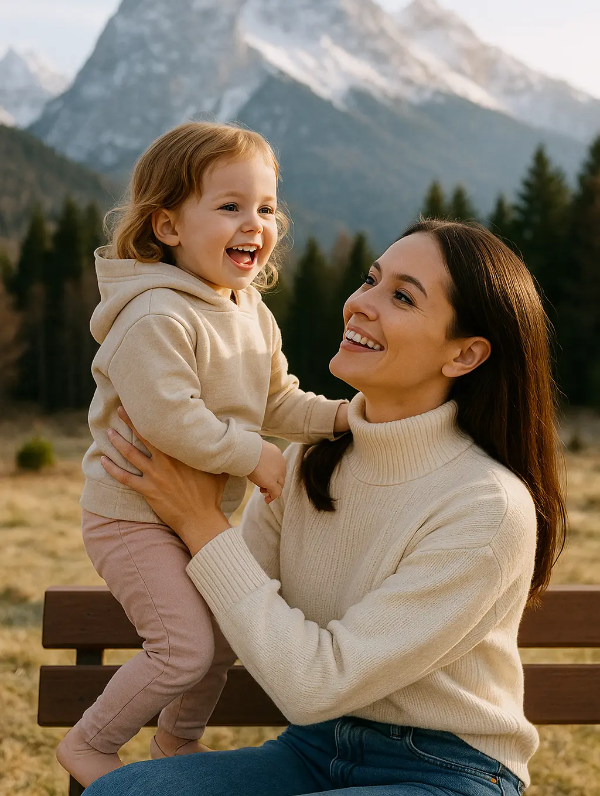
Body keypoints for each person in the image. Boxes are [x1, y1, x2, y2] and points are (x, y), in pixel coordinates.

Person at [87, 220, 567, 796]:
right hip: (314, 750)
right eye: (370, 279)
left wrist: (199, 520)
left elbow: (314, 684)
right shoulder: (312, 462)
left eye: (401, 296)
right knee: (122, 792)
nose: (361, 304)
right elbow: (236, 608)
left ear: (465, 354)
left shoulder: (485, 508)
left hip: (447, 770)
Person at [57, 122, 349, 787]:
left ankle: (175, 744)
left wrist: (339, 417)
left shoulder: (249, 311)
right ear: (167, 226)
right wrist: (255, 458)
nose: (255, 223)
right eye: (230, 206)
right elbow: (171, 422)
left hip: (196, 521)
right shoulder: (157, 316)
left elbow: (278, 400)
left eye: (266, 208)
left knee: (221, 641)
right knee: (182, 648)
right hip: (131, 518)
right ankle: (90, 743)